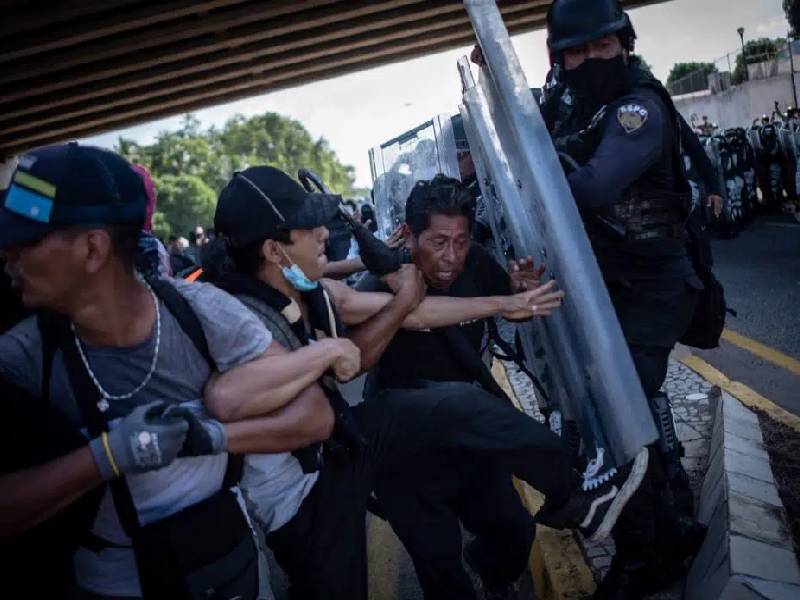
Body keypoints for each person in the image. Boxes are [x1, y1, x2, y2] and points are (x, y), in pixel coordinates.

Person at [201, 165, 649, 600]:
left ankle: (566, 509)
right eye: (307, 227)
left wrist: (507, 302)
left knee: (482, 454)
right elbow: (294, 401)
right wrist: (333, 347)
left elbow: (416, 312)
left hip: (380, 448)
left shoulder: (319, 291)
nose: (323, 234)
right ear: (273, 251)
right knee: (423, 566)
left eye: (460, 241)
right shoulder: (242, 319)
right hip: (322, 489)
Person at [0, 144, 337, 599]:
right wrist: (106, 458)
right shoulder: (22, 357)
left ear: (93, 248)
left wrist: (210, 436)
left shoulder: (200, 312)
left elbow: (314, 416)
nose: (8, 256)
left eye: (27, 242)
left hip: (230, 571)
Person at [541, 1, 707, 597]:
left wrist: (548, 163)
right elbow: (526, 125)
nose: (589, 60)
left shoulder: (637, 108)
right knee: (630, 410)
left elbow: (593, 185)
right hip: (614, 289)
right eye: (575, 52)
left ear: (624, 44)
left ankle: (645, 557)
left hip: (654, 291)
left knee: (614, 421)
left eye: (601, 47)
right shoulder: (577, 103)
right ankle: (676, 523)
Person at [355, 175, 548, 600]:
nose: (451, 257)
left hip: (470, 437)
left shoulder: (476, 262)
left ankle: (491, 574)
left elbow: (512, 304)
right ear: (409, 236)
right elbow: (352, 361)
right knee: (439, 568)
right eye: (438, 242)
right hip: (407, 451)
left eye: (460, 241)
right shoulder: (375, 288)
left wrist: (521, 290)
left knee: (516, 529)